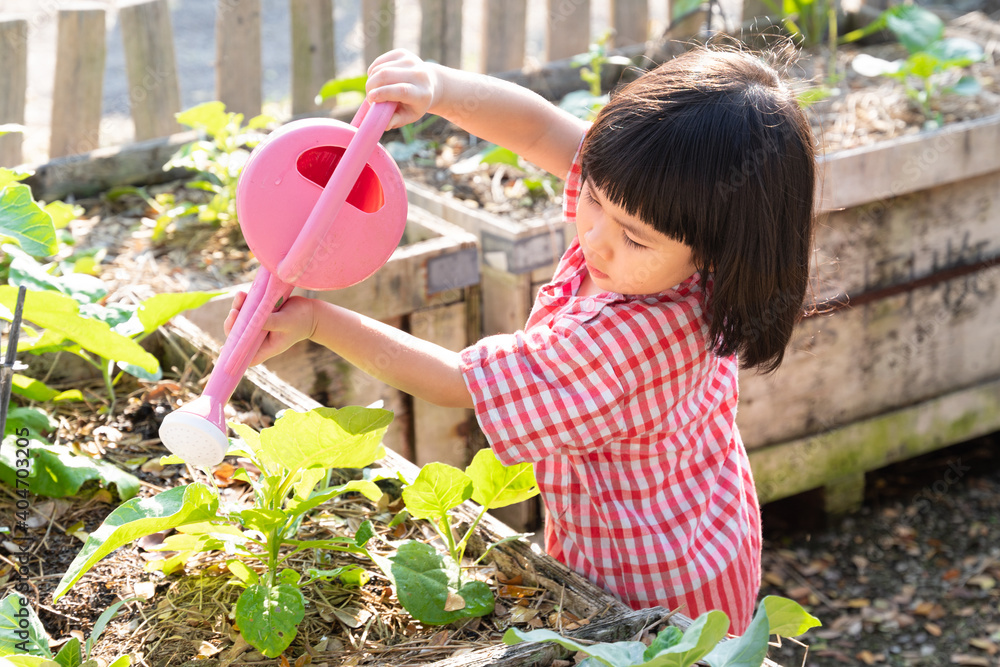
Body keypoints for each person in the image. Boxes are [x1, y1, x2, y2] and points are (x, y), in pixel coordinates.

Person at [225, 46, 816, 634]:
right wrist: (438, 88)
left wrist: (317, 322)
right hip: (701, 519)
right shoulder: (659, 202)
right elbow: (539, 128)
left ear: (717, 250)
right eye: (593, 198)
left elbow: (459, 382)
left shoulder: (630, 338)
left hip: (652, 584)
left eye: (634, 238)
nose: (595, 238)